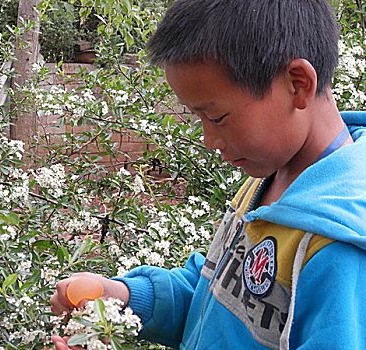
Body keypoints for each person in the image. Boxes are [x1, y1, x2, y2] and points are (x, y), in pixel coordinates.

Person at [50, 0, 366, 349]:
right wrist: (123, 297)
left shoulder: (339, 249)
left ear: (298, 84)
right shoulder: (268, 180)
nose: (208, 140)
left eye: (216, 118)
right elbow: (214, 300)